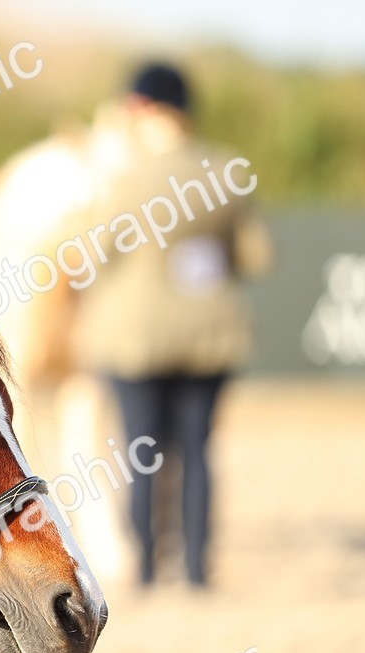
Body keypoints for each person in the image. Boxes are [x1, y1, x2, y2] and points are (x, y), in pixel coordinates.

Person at [70, 64, 273, 588]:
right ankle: (197, 570)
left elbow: (89, 251)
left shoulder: (127, 178)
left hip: (135, 336)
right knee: (197, 449)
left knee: (141, 451)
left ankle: (145, 569)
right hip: (210, 333)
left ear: (143, 112)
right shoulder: (225, 171)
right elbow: (256, 256)